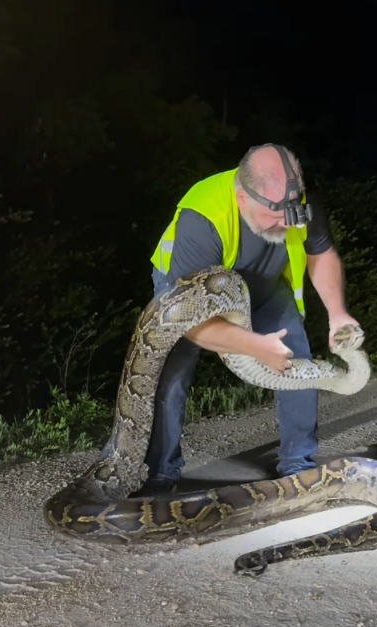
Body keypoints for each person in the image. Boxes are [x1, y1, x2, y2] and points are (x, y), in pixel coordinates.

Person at [139, 143, 357, 495]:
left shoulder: (299, 203)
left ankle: (297, 465)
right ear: (243, 198)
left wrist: (337, 312)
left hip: (264, 287)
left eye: (291, 213)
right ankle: (162, 474)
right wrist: (254, 346)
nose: (286, 223)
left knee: (297, 355)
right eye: (274, 216)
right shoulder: (203, 214)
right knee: (173, 368)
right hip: (185, 293)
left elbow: (320, 253)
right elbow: (192, 323)